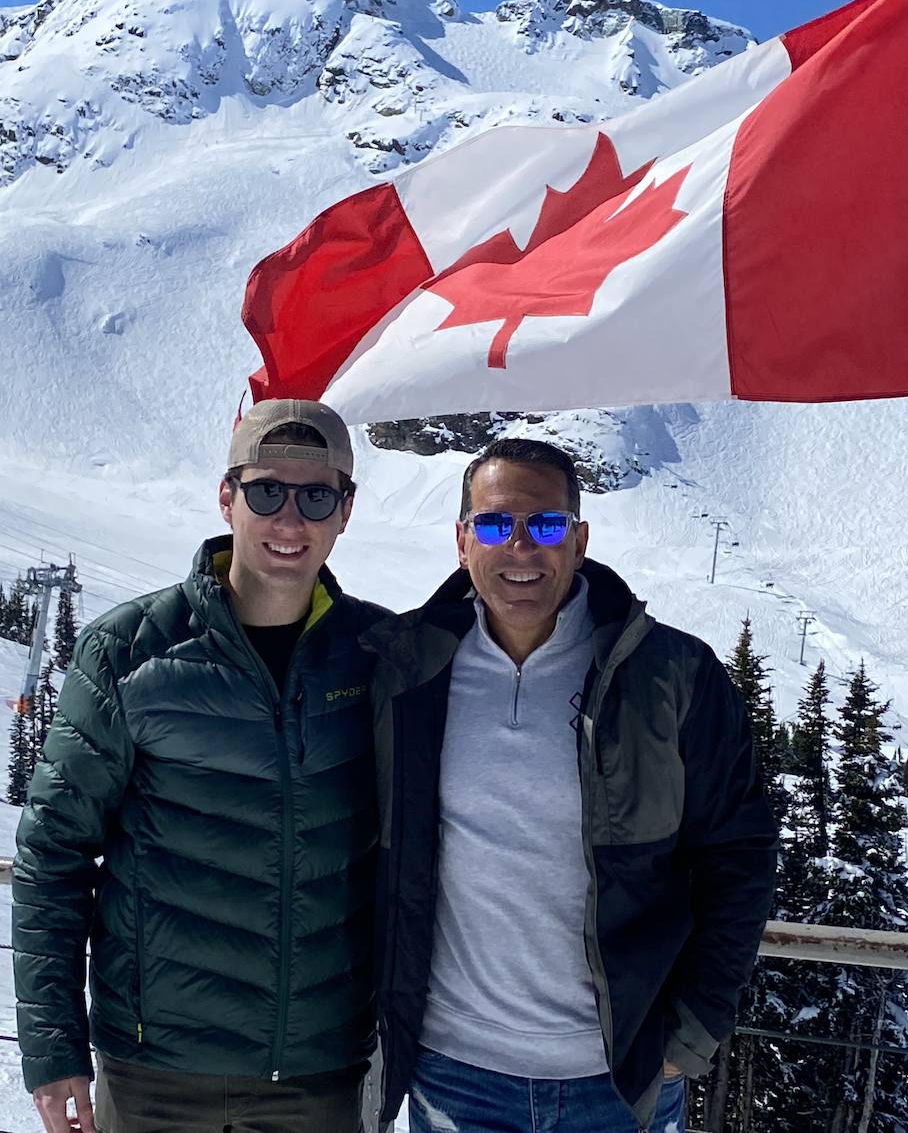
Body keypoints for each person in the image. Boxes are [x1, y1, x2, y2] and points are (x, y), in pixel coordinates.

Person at [363, 437, 778, 1133]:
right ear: (462, 541)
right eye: (495, 525)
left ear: (579, 540)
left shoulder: (670, 674)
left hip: (619, 1081)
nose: (521, 548)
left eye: (546, 525)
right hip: (456, 1072)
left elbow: (738, 854)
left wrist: (691, 1033)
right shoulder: (405, 672)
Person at [13, 399, 383, 1133]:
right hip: (157, 1073)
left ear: (345, 510)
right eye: (266, 491)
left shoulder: (378, 654)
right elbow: (53, 852)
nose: (289, 520)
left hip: (320, 1071)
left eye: (315, 497)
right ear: (227, 496)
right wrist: (54, 1046)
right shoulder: (129, 651)